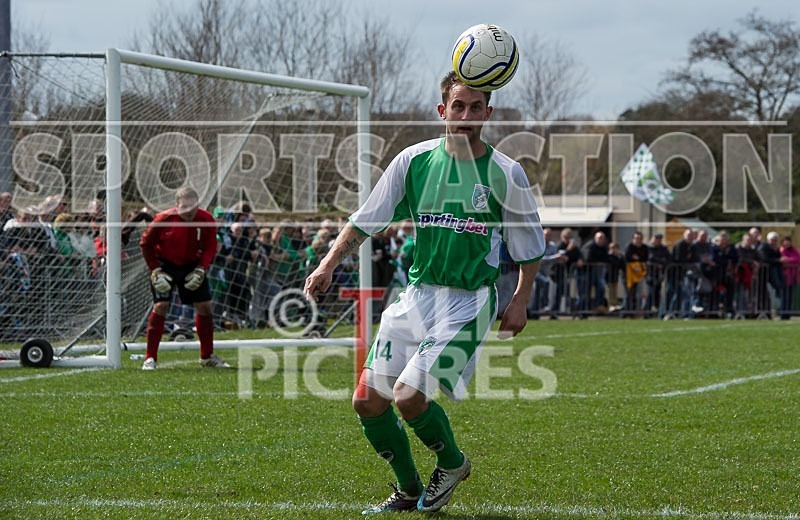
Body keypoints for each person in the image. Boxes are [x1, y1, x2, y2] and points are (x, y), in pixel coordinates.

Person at [304, 71, 545, 514]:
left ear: (488, 114)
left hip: (469, 301)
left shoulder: (506, 174)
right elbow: (366, 218)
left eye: (476, 108)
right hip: (417, 296)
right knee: (366, 402)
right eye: (458, 106)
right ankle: (409, 489)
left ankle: (452, 464)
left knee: (408, 396)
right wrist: (327, 264)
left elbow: (529, 245)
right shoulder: (413, 161)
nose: (466, 115)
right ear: (442, 111)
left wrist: (520, 299)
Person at [138, 187, 229, 370]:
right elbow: (146, 244)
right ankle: (150, 358)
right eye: (185, 207)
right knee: (161, 306)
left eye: (193, 206)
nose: (189, 211)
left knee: (205, 307)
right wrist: (155, 270)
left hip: (192, 265)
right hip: (165, 265)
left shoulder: (206, 219)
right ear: (176, 206)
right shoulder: (163, 219)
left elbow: (211, 245)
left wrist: (201, 269)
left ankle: (207, 356)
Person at [624, 231, 648, 314]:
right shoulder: (629, 247)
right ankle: (628, 311)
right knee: (629, 293)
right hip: (629, 274)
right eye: (636, 238)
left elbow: (645, 258)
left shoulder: (644, 247)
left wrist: (636, 258)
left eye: (640, 239)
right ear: (633, 239)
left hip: (640, 274)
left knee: (639, 293)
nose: (638, 240)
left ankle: (637, 311)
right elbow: (628, 258)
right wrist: (636, 259)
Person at [779, 236, 800, 319]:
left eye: (788, 241)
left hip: (792, 276)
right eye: (785, 241)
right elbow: (783, 260)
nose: (787, 243)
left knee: (790, 295)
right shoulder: (781, 250)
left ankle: (788, 313)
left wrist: (788, 260)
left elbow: (798, 259)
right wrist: (791, 260)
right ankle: (783, 313)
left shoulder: (794, 250)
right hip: (784, 276)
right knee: (784, 295)